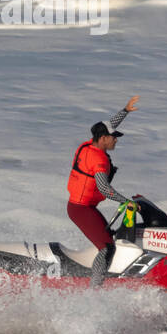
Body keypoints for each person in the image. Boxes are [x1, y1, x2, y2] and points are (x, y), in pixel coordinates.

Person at [66, 95, 139, 286]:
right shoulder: (98, 160)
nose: (116, 141)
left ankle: (106, 274)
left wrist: (125, 110)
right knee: (106, 247)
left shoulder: (89, 144)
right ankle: (95, 287)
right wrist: (127, 202)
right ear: (104, 138)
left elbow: (107, 124)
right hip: (80, 209)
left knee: (111, 239)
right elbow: (104, 189)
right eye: (114, 138)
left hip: (84, 207)